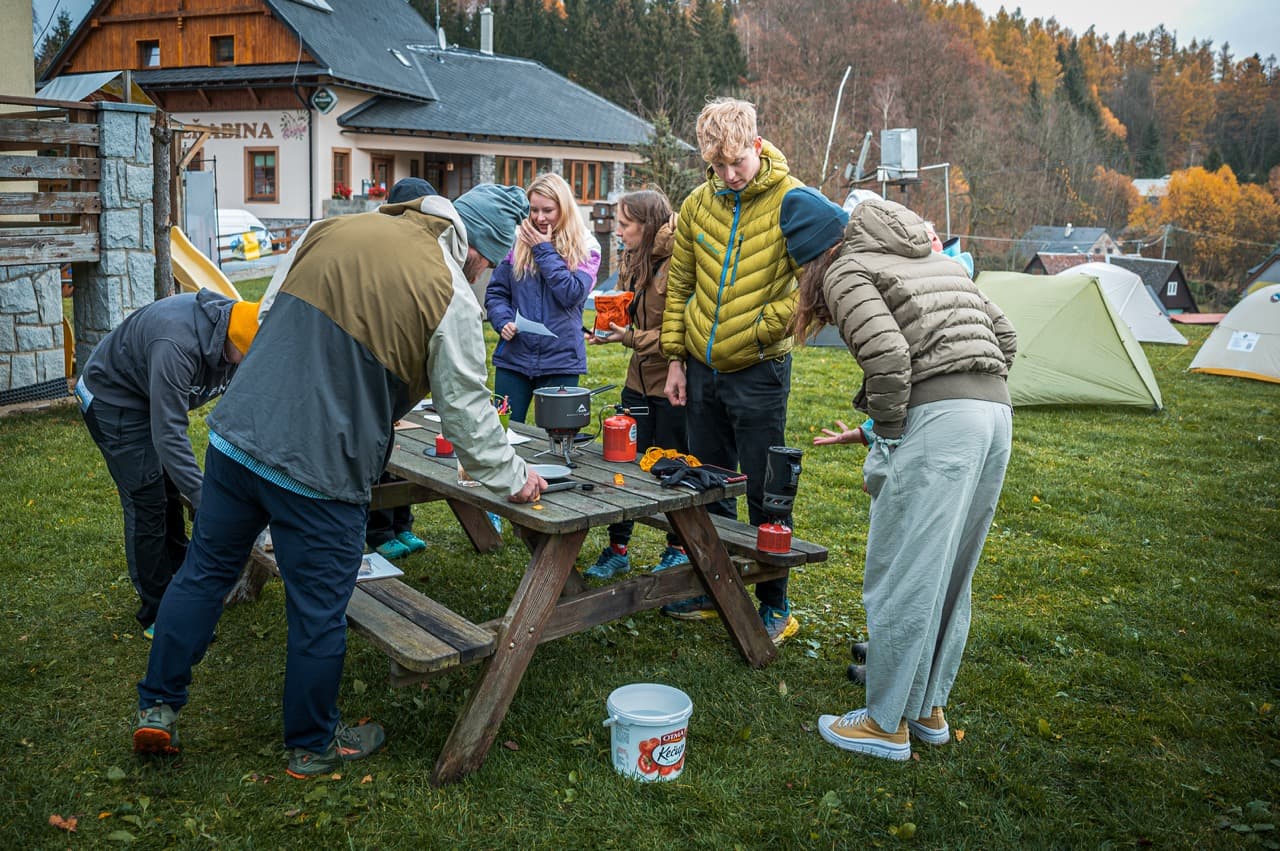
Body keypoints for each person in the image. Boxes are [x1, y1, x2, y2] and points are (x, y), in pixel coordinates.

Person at [132, 184, 548, 778]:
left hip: (238, 433)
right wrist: (512, 478)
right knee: (319, 609)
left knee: (203, 573)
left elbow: (272, 317)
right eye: (491, 261)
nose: (485, 271)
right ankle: (311, 743)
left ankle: (158, 705)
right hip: (319, 469)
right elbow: (467, 411)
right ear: (478, 249)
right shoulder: (449, 290)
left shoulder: (333, 228)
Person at [784, 190, 1018, 761]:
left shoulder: (844, 268)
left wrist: (889, 432)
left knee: (904, 572)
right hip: (995, 414)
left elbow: (888, 356)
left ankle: (885, 724)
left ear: (810, 256)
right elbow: (1004, 336)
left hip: (943, 423)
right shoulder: (932, 257)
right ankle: (927, 707)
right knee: (950, 573)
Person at [658, 97, 805, 645]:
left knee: (768, 490)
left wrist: (768, 325)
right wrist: (676, 357)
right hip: (701, 368)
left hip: (761, 370)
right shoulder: (698, 203)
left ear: (757, 146)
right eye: (716, 166)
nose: (727, 175)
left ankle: (775, 602)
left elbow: (815, 282)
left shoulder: (793, 201)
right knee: (709, 483)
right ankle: (714, 587)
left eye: (736, 163)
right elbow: (680, 285)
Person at [76, 290, 260, 639]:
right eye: (247, 360)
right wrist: (208, 501)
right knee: (148, 500)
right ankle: (158, 612)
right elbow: (169, 436)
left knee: (169, 493)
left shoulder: (241, 333)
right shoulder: (176, 344)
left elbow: (244, 416)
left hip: (147, 394)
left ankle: (180, 583)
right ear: (232, 347)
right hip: (112, 399)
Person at [585, 189, 689, 578]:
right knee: (622, 462)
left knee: (674, 465)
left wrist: (629, 338)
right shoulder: (634, 257)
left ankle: (679, 547)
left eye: (626, 225)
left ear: (648, 226)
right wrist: (607, 328)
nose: (619, 231)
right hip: (637, 383)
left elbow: (680, 333)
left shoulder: (680, 259)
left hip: (672, 385)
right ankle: (618, 548)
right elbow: (632, 311)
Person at [485, 172, 601, 423]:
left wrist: (542, 249)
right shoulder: (516, 244)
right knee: (500, 432)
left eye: (547, 210)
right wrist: (502, 319)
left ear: (564, 209)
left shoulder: (587, 248)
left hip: (560, 361)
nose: (539, 218)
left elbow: (571, 294)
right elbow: (496, 293)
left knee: (558, 437)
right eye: (533, 210)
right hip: (514, 358)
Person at [365, 177, 440, 560]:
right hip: (379, 358)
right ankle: (378, 531)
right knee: (379, 452)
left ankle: (402, 526)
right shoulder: (379, 244)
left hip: (406, 364)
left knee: (398, 453)